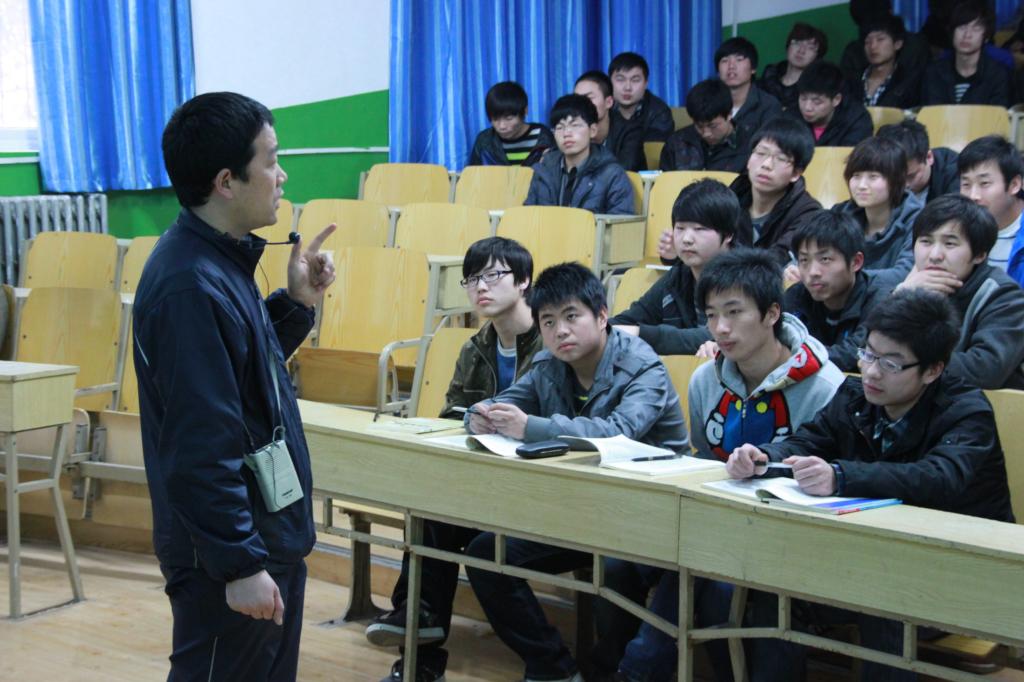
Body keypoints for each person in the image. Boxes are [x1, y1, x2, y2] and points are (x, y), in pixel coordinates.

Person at [134, 91, 337, 680]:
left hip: (258, 537)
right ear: (226, 181)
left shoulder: (218, 261)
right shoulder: (190, 286)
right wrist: (239, 564)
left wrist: (296, 303)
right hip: (228, 554)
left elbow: (240, 371)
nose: (282, 174)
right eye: (271, 160)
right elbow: (200, 445)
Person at [729, 287, 1015, 682]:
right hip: (874, 557)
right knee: (776, 590)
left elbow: (939, 478)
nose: (872, 372)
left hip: (960, 570)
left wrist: (841, 476)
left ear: (933, 370)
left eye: (891, 364)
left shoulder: (966, 412)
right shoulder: (855, 396)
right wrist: (762, 457)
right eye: (868, 354)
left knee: (884, 604)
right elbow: (808, 441)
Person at [605, 248, 844, 682]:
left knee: (714, 583)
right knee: (621, 564)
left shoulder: (826, 387)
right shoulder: (705, 379)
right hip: (714, 525)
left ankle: (638, 670)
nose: (721, 328)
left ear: (772, 313)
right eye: (712, 315)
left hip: (793, 534)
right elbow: (705, 458)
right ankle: (625, 667)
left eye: (734, 312)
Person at [463, 262, 688, 682]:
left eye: (571, 316)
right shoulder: (548, 365)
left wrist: (530, 426)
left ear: (602, 316)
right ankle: (554, 669)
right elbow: (505, 402)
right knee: (485, 553)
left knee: (616, 566)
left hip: (649, 516)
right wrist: (479, 414)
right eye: (548, 322)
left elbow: (618, 432)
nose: (560, 331)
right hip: (582, 509)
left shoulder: (643, 366)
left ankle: (609, 671)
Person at [366, 237, 544, 682]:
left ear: (524, 281)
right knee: (430, 508)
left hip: (532, 482)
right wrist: (471, 421)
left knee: (439, 519)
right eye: (472, 279)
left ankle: (418, 629)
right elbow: (452, 412)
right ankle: (419, 641)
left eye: (493, 275)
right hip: (483, 478)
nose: (480, 287)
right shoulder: (474, 347)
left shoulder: (551, 342)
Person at [896, 194, 1024, 390]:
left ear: (980, 254)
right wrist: (900, 299)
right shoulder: (910, 286)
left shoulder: (1004, 296)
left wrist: (903, 365)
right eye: (926, 241)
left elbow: (985, 370)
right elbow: (865, 354)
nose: (935, 255)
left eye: (950, 244)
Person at [610, 179, 740, 354]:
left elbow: (719, 334)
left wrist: (643, 334)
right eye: (680, 228)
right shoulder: (678, 277)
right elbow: (630, 319)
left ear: (728, 234)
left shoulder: (744, 278)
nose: (686, 239)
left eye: (699, 229)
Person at [786, 212, 899, 371]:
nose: (813, 272)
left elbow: (857, 353)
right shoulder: (796, 295)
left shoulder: (880, 300)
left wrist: (797, 357)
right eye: (804, 260)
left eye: (825, 259)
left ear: (856, 262)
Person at [728, 116, 822, 265]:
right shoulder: (729, 199)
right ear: (749, 160)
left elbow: (779, 259)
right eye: (761, 153)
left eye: (781, 158)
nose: (766, 164)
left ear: (796, 173)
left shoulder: (808, 213)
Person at [525, 94, 635, 215]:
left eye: (575, 125)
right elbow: (528, 216)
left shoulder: (612, 175)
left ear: (593, 130)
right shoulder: (544, 171)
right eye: (560, 127)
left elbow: (621, 222)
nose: (566, 133)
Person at [831, 136, 924, 275]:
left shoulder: (917, 219)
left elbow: (904, 273)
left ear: (896, 180)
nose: (861, 185)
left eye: (873, 177)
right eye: (856, 176)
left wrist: (846, 278)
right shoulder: (840, 213)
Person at [957, 135, 1024, 285]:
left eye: (984, 183)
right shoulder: (957, 227)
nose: (973, 196)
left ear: (1014, 184)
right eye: (966, 184)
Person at [922, 1, 1011, 106]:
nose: (967, 35)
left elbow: (997, 114)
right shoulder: (934, 72)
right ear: (952, 33)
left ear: (986, 37)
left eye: (976, 28)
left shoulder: (997, 75)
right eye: (962, 27)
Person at [659, 78, 749, 173]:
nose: (706, 133)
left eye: (713, 126)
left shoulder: (749, 145)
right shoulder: (676, 143)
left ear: (729, 114)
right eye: (699, 126)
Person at [468, 81, 554, 167]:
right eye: (495, 119)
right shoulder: (484, 141)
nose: (502, 126)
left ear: (525, 111)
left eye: (508, 118)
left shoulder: (544, 139)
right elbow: (473, 174)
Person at [876, 119, 960, 205]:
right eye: (895, 177)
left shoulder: (957, 173)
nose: (904, 185)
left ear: (929, 157)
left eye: (910, 176)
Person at [715, 37, 783, 142]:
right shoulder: (709, 102)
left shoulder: (768, 106)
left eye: (739, 59)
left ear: (753, 68)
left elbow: (770, 145)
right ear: (718, 72)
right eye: (725, 60)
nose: (731, 66)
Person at [575, 70, 645, 172]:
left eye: (589, 98)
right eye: (576, 99)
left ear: (609, 102)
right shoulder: (567, 131)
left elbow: (621, 173)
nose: (581, 105)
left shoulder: (631, 132)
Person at [795, 61, 873, 147]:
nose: (807, 107)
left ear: (836, 99)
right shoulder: (791, 117)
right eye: (803, 99)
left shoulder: (857, 120)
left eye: (817, 102)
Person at [607, 52, 675, 145]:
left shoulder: (659, 112)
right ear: (609, 81)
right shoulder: (601, 107)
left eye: (635, 80)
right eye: (620, 79)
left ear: (646, 83)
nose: (627, 87)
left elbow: (655, 150)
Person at [856, 13, 922, 109]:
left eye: (880, 39)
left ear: (897, 44)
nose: (873, 46)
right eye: (868, 41)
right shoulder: (852, 81)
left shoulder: (910, 82)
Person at [760, 22, 829, 112]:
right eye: (797, 43)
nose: (801, 50)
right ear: (788, 46)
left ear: (818, 57)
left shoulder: (816, 89)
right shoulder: (769, 76)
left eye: (810, 47)